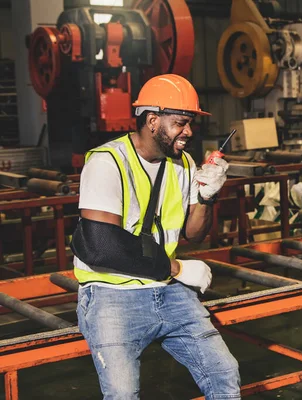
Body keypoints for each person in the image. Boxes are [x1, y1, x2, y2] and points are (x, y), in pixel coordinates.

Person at [70, 74, 241, 399]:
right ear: (151, 121)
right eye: (180, 122)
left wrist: (206, 197)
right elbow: (101, 246)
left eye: (190, 123)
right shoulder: (108, 162)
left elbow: (193, 233)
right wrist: (176, 268)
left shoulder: (185, 164)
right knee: (122, 394)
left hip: (167, 290)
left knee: (224, 374)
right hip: (111, 294)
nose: (188, 132)